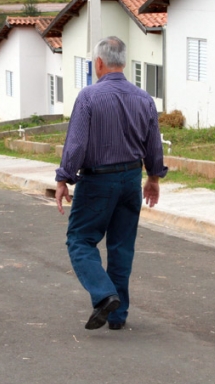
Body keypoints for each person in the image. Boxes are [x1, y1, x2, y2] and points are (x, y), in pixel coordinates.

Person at [55, 36, 168, 330]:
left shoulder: (89, 97)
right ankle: (118, 316)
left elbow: (77, 144)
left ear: (99, 63)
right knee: (121, 246)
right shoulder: (144, 99)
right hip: (131, 179)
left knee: (80, 240)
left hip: (97, 181)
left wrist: (64, 178)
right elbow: (154, 144)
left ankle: (104, 295)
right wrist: (153, 178)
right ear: (124, 63)